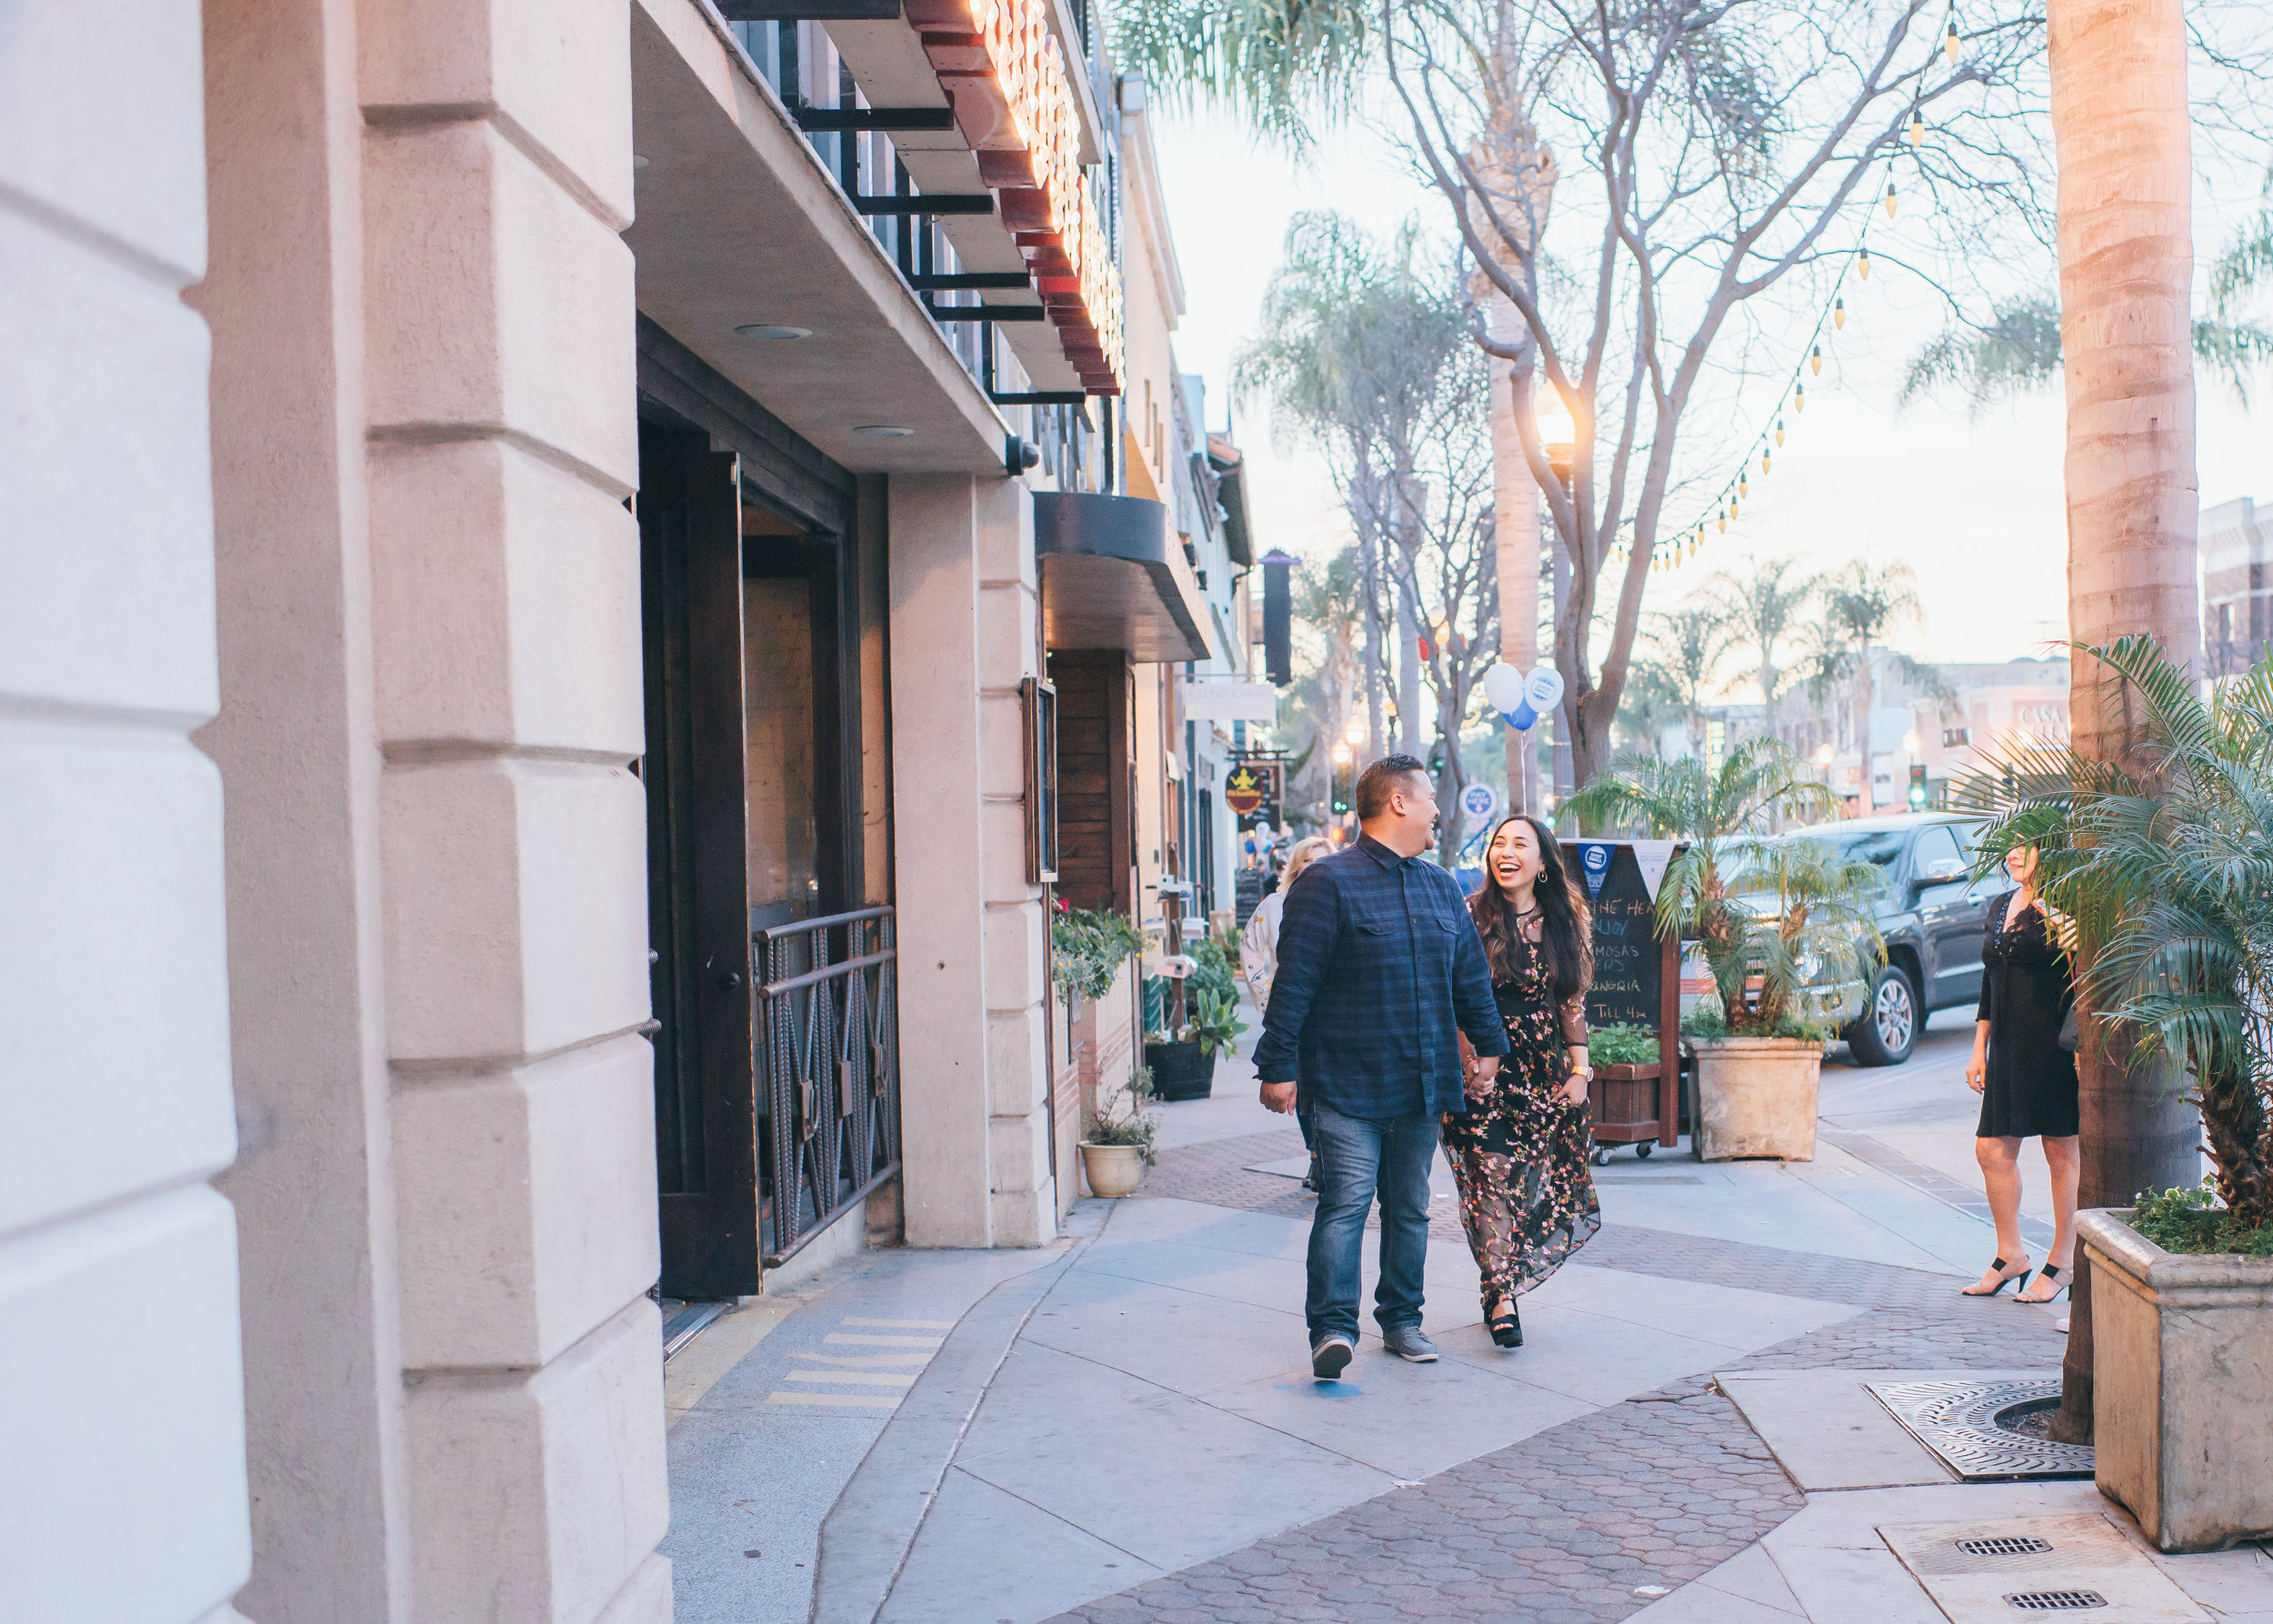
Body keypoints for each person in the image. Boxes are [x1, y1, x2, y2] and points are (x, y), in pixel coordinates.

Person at [1252, 756, 1509, 1380]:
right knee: (1345, 1203)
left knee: (1410, 1207)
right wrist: (1277, 1066)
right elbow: (1296, 985)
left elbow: (1470, 977)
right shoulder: (1328, 883)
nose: (1435, 811)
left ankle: (1402, 1319)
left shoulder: (1441, 886)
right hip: (1344, 1081)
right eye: (1427, 799)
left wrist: (1490, 1047)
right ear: (1398, 803)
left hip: (1422, 1081)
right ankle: (1333, 1331)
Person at [1447, 816, 1599, 1348]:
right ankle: (1502, 1296)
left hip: (1541, 1073)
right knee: (1488, 1178)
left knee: (1524, 1185)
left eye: (1520, 844)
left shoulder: (1562, 921)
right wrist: (1470, 1060)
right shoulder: (1468, 916)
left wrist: (1580, 1070)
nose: (1505, 852)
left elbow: (1571, 1000)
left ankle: (1498, 1281)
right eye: (1498, 843)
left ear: (1542, 863)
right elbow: (1453, 996)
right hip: (1480, 1068)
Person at [1963, 844, 2080, 1303]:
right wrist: (1979, 1048)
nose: (2013, 855)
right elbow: (1990, 982)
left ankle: (2063, 1260)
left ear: (2046, 850)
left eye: (2024, 847)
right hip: (2008, 1047)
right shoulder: (1999, 906)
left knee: (2061, 1153)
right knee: (1992, 1149)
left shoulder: (2066, 903)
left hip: (2052, 1045)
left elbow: (2081, 971)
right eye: (2008, 847)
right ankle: (2011, 1254)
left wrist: (2057, 918)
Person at [1240, 835, 1337, 1190]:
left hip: (1333, 1012)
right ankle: (1316, 1154)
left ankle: (1328, 1157)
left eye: (1322, 861)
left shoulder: (1342, 900)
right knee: (1302, 1085)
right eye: (1308, 862)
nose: (1314, 868)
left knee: (1327, 1086)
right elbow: (1251, 951)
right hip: (1293, 1011)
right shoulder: (1275, 905)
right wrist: (1268, 998)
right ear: (1296, 866)